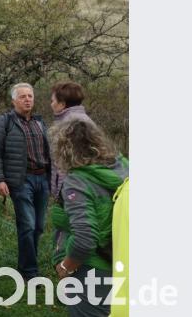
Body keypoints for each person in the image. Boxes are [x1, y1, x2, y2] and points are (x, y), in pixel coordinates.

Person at [49, 119, 128, 317]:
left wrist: (66, 267)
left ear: (64, 149)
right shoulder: (123, 167)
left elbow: (85, 238)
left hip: (94, 269)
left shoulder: (79, 181)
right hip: (122, 260)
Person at [0, 82, 52, 280]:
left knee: (39, 226)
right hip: (21, 180)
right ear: (14, 100)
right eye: (23, 96)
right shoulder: (5, 121)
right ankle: (30, 273)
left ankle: (25, 264)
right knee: (28, 225)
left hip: (42, 179)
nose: (27, 99)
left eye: (30, 96)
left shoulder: (39, 122)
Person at [49, 81, 94, 198]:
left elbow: (73, 162)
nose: (51, 104)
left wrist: (65, 189)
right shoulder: (83, 119)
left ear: (62, 104)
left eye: (53, 101)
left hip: (74, 188)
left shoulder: (73, 124)